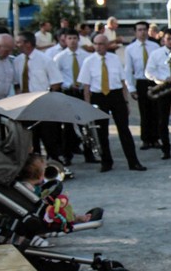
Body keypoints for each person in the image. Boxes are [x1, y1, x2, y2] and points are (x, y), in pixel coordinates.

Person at [81, 34, 146, 172]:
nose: (98, 47)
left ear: (107, 45)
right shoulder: (88, 61)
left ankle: (133, 162)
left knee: (124, 130)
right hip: (99, 96)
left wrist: (126, 102)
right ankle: (106, 162)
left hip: (115, 95)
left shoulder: (115, 59)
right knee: (102, 131)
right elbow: (86, 87)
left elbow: (123, 82)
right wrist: (87, 106)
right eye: (96, 44)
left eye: (101, 44)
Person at [15, 31, 64, 163]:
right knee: (31, 139)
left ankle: (54, 163)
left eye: (19, 42)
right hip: (25, 106)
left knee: (49, 137)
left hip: (43, 105)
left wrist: (46, 98)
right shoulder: (17, 61)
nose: (16, 45)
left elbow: (56, 82)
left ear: (28, 44)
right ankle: (34, 166)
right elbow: (17, 83)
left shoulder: (45, 60)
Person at [54, 30, 96, 165]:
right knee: (67, 126)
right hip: (68, 92)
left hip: (82, 92)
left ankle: (89, 154)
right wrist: (68, 84)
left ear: (78, 40)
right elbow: (57, 76)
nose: (72, 41)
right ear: (65, 40)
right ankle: (67, 155)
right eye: (69, 38)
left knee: (85, 124)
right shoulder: (59, 57)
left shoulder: (86, 56)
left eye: (74, 38)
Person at [124, 21, 161, 150]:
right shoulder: (130, 49)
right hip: (141, 81)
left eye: (144, 29)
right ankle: (145, 139)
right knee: (144, 111)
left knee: (155, 111)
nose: (142, 32)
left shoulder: (155, 46)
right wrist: (131, 88)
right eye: (139, 30)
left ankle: (156, 138)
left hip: (154, 81)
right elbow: (128, 69)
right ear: (135, 32)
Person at [145, 28, 171, 159]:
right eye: (169, 39)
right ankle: (165, 149)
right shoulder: (156, 54)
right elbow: (149, 71)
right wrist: (162, 79)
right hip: (163, 87)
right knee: (162, 120)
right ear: (163, 40)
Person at [0, 33, 15, 100]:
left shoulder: (11, 60)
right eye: (7, 51)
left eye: (11, 50)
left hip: (6, 100)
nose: (9, 53)